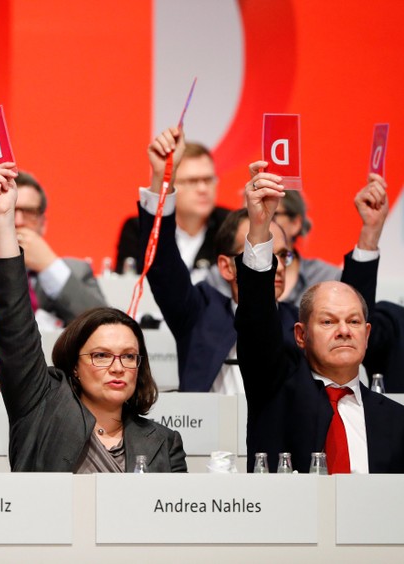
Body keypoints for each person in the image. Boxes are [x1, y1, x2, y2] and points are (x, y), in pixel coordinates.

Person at [135, 126, 381, 393]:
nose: (275, 266)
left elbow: (353, 304)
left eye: (282, 255)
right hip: (206, 431)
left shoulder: (298, 324)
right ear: (226, 267)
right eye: (260, 252)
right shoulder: (199, 313)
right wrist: (162, 179)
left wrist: (370, 233)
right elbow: (162, 265)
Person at [0, 161, 187, 473]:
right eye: (101, 355)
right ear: (74, 365)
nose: (117, 367)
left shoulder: (164, 441)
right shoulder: (41, 410)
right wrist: (5, 220)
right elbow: (14, 320)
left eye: (129, 357)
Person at [236, 161, 404, 474]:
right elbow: (256, 322)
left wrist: (369, 235)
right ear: (300, 335)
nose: (344, 331)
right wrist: (259, 228)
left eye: (354, 322)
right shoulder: (275, 392)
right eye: (328, 322)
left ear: (367, 333)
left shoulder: (396, 420)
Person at [0, 170, 108, 328]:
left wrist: (49, 266)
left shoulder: (77, 271)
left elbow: (105, 326)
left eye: (29, 212)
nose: (19, 222)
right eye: (9, 212)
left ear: (43, 224)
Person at [116, 141, 230, 281]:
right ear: (169, 185)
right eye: (192, 181)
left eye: (208, 180)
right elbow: (125, 288)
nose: (203, 189)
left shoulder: (230, 225)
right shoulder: (140, 228)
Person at [273, 190, 342, 305]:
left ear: (295, 223)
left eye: (270, 214)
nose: (257, 223)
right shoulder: (234, 278)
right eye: (248, 214)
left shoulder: (328, 279)